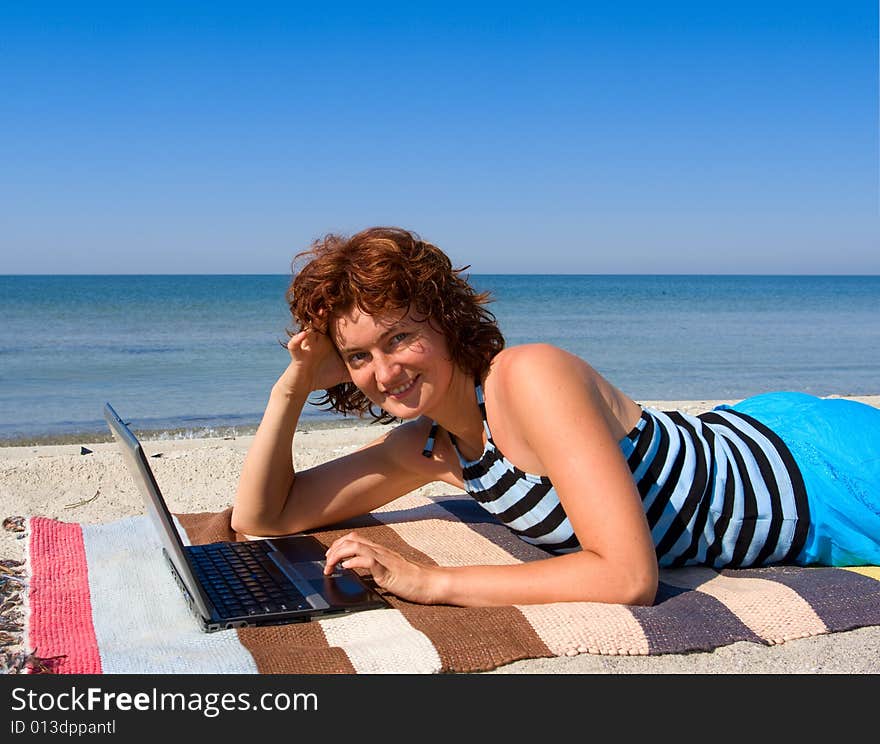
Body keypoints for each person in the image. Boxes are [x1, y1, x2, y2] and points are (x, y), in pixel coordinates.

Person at [232, 226, 880, 607]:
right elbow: (264, 517)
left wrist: (431, 581)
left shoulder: (528, 377)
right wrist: (289, 388)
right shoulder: (429, 447)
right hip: (757, 434)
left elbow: (629, 577)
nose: (384, 371)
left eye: (399, 338)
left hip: (821, 473)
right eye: (358, 356)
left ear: (446, 323)